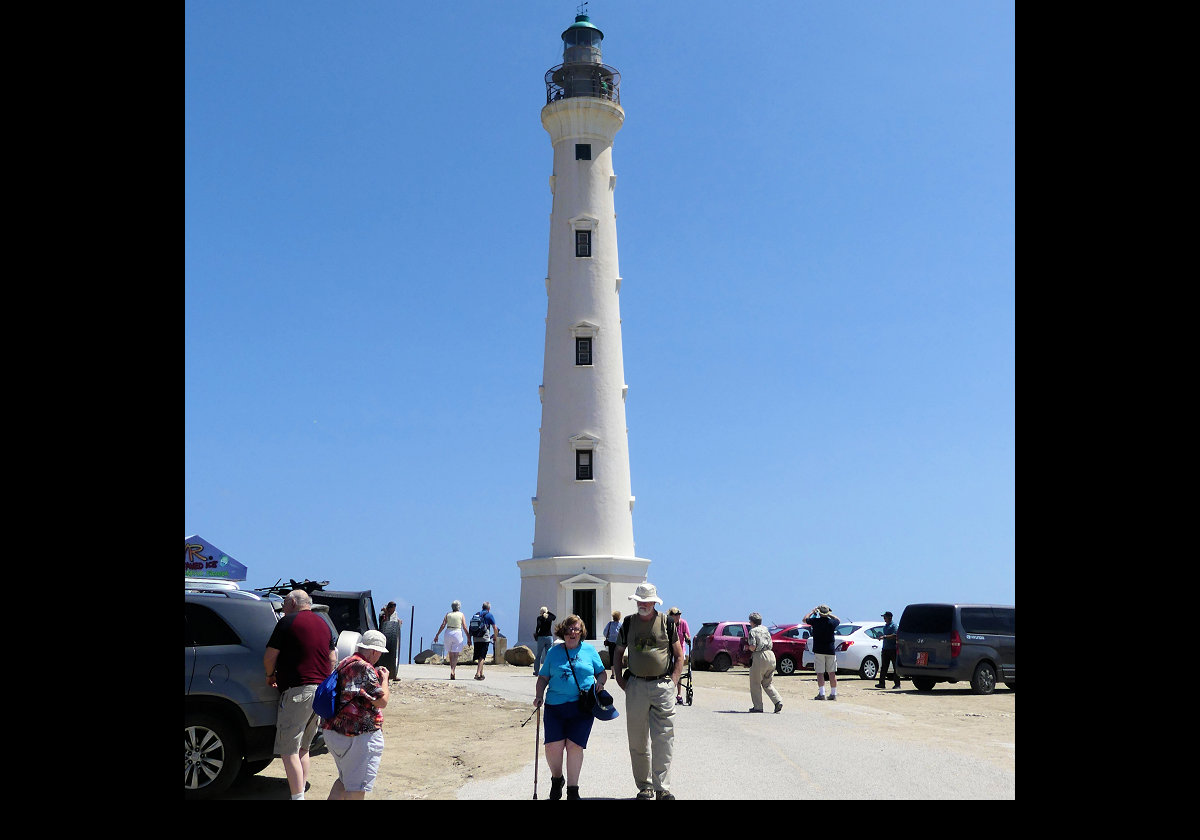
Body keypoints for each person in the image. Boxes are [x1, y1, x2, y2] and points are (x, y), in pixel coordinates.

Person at [611, 582, 683, 800]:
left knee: (664, 738)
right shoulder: (628, 623)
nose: (644, 604)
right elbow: (618, 653)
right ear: (636, 601)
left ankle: (662, 788)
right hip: (636, 686)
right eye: (640, 601)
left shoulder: (667, 623)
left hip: (662, 686)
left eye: (647, 601)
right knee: (638, 739)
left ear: (654, 602)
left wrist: (673, 682)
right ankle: (645, 786)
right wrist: (623, 682)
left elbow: (679, 655)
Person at [263, 589, 337, 800]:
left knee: (288, 750)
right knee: (304, 749)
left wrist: (270, 675)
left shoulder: (287, 622)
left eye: (285, 604)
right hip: (320, 692)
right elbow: (332, 658)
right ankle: (300, 793)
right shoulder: (323, 624)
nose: (283, 609)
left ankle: (297, 798)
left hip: (299, 691)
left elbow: (270, 656)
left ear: (293, 603)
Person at [533, 614, 608, 800]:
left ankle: (573, 791)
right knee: (553, 747)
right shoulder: (553, 652)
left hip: (582, 707)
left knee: (574, 746)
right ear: (562, 633)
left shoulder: (590, 651)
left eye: (575, 629)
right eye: (568, 630)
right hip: (555, 707)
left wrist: (600, 683)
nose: (572, 633)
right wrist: (538, 696)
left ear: (581, 632)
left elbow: (602, 673)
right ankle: (557, 779)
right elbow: (543, 677)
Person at [322, 630, 391, 800]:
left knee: (344, 782)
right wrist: (385, 680)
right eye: (380, 652)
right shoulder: (364, 668)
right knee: (357, 788)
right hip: (357, 736)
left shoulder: (345, 661)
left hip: (335, 730)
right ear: (374, 651)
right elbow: (381, 701)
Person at [746, 612, 784, 713]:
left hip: (760, 656)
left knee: (755, 682)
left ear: (752, 621)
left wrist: (747, 648)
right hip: (771, 655)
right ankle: (777, 701)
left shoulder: (752, 631)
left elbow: (753, 647)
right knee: (767, 683)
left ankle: (758, 706)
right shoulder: (766, 629)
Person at [806, 604, 840, 700]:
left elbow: (804, 619)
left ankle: (822, 693)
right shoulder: (831, 622)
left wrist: (813, 611)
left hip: (819, 650)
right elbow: (838, 620)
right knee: (832, 673)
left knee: (820, 672)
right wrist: (829, 615)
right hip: (830, 649)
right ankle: (833, 694)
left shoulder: (815, 621)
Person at [433, 599, 469, 680]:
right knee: (455, 654)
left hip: (448, 632)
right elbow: (464, 626)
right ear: (459, 607)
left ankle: (451, 669)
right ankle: (453, 670)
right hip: (457, 632)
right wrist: (468, 637)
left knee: (450, 653)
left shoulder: (448, 614)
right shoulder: (461, 614)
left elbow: (443, 625)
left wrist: (437, 635)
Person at [666, 607, 691, 704]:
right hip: (670, 649)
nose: (678, 616)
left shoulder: (683, 623)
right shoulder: (669, 624)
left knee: (678, 669)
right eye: (676, 614)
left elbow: (687, 635)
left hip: (680, 649)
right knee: (670, 670)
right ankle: (669, 692)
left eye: (679, 614)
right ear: (672, 616)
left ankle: (679, 694)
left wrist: (687, 638)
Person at [471, 601, 501, 681]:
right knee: (482, 656)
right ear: (489, 608)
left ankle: (481, 674)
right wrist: (495, 636)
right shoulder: (489, 615)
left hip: (476, 637)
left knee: (479, 656)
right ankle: (477, 673)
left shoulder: (476, 614)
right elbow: (494, 627)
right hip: (484, 637)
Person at [876, 610, 901, 689]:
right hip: (885, 649)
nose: (884, 619)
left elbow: (895, 635)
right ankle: (881, 683)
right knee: (884, 667)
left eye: (885, 617)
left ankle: (897, 684)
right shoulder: (885, 626)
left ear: (889, 617)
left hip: (892, 649)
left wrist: (885, 636)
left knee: (895, 667)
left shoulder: (894, 625)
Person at [533, 606, 557, 676]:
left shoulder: (539, 618)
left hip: (541, 637)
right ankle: (548, 671)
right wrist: (547, 612)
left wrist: (536, 633)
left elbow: (538, 626)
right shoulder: (550, 618)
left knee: (539, 655)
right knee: (548, 655)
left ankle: (537, 671)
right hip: (549, 637)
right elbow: (554, 617)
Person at [602, 610, 622, 676]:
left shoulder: (610, 624)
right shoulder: (621, 625)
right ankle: (618, 673)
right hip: (618, 643)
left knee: (612, 657)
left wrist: (609, 637)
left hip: (611, 643)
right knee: (618, 657)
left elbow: (605, 632)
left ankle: (613, 673)